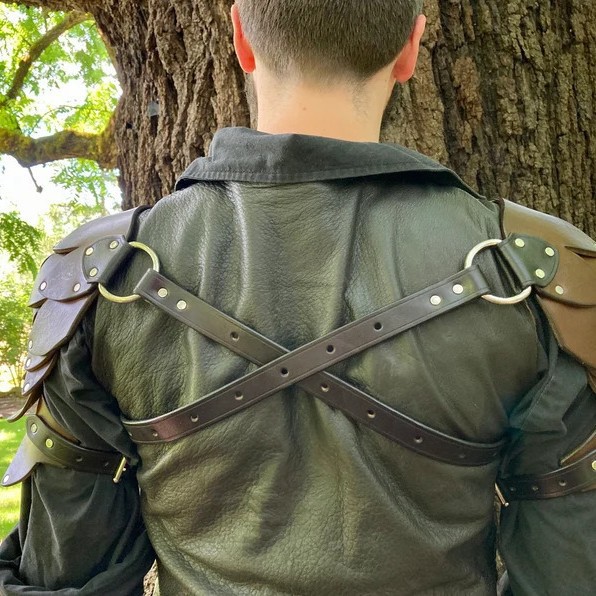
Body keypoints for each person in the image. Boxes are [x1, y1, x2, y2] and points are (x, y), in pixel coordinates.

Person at [1, 1, 595, 594]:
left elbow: (68, 562)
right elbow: (570, 567)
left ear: (241, 38)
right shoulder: (539, 276)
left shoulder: (101, 276)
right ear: (411, 50)